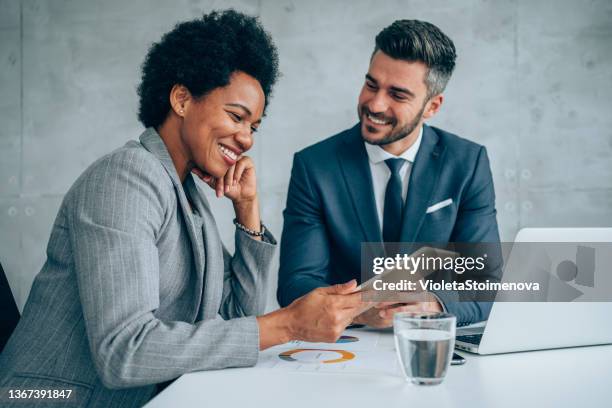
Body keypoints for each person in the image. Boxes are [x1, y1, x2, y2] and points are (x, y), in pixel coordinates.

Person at [0, 10, 367, 407]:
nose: (246, 138)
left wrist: (247, 214)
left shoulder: (187, 193)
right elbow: (124, 352)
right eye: (237, 116)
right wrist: (290, 323)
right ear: (181, 99)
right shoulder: (125, 179)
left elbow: (235, 317)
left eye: (254, 127)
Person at [278, 19, 502, 328]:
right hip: (345, 349)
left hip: (431, 343)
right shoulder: (315, 166)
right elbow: (296, 284)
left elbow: (485, 283)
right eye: (371, 84)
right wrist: (360, 308)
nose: (375, 103)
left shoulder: (468, 163)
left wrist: (433, 303)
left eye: (397, 95)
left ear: (432, 107)